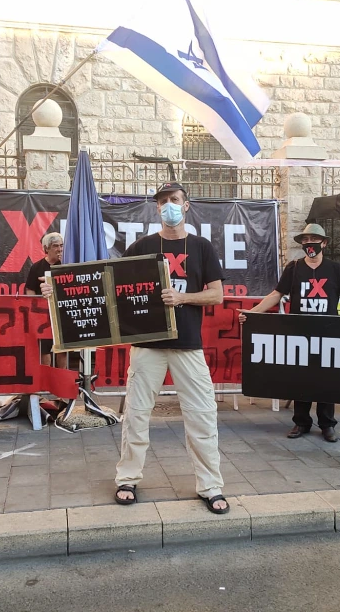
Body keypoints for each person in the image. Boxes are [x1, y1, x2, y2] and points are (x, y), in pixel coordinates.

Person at [41, 182, 228, 513]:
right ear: (157, 208)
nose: (169, 206)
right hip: (147, 345)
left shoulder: (201, 247)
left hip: (188, 345)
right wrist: (58, 290)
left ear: (186, 205)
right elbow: (107, 284)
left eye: (174, 199)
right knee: (136, 415)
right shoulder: (143, 246)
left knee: (202, 416)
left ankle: (210, 486)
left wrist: (182, 297)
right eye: (163, 201)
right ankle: (127, 479)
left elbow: (216, 294)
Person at [238, 224, 340, 441]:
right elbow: (276, 294)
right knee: (300, 377)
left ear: (324, 243)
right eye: (305, 240)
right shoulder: (294, 268)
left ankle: (327, 424)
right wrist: (252, 313)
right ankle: (301, 422)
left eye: (314, 239)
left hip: (328, 334)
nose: (309, 244)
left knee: (327, 379)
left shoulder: (336, 269)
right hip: (299, 332)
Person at [25, 232, 67, 368]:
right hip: (43, 315)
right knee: (44, 348)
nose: (59, 249)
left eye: (61, 245)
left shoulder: (66, 265)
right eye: (55, 246)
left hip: (62, 314)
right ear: (46, 248)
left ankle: (62, 377)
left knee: (62, 349)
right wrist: (34, 308)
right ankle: (47, 377)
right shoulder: (37, 267)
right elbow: (30, 289)